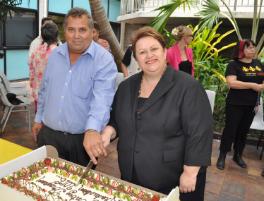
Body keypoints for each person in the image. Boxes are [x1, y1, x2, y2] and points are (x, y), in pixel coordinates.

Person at [89, 27, 213, 201]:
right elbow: (117, 119)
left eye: (154, 49)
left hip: (172, 179)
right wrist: (109, 131)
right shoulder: (126, 87)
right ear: (136, 58)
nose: (149, 55)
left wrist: (190, 171)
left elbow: (200, 133)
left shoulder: (188, 87)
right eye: (142, 52)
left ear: (164, 51)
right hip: (131, 174)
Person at [31, 7, 117, 167]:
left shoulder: (104, 60)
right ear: (64, 31)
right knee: (43, 185)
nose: (76, 36)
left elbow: (102, 100)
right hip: (48, 135)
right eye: (71, 29)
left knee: (76, 189)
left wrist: (92, 130)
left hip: (82, 142)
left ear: (92, 31)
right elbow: (45, 90)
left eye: (82, 30)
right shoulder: (55, 55)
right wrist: (38, 119)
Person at [216, 39, 264, 170]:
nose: (253, 50)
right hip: (235, 104)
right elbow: (232, 83)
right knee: (230, 130)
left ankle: (238, 155)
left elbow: (262, 80)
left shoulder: (258, 64)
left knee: (243, 131)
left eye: (253, 47)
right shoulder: (234, 65)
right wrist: (253, 85)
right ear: (241, 50)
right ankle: (222, 156)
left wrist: (260, 88)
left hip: (251, 105)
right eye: (249, 48)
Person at [29, 22, 58, 112]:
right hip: (52, 96)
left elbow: (31, 71)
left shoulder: (36, 51)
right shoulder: (58, 52)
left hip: (38, 92)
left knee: (39, 120)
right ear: (56, 35)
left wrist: (33, 86)